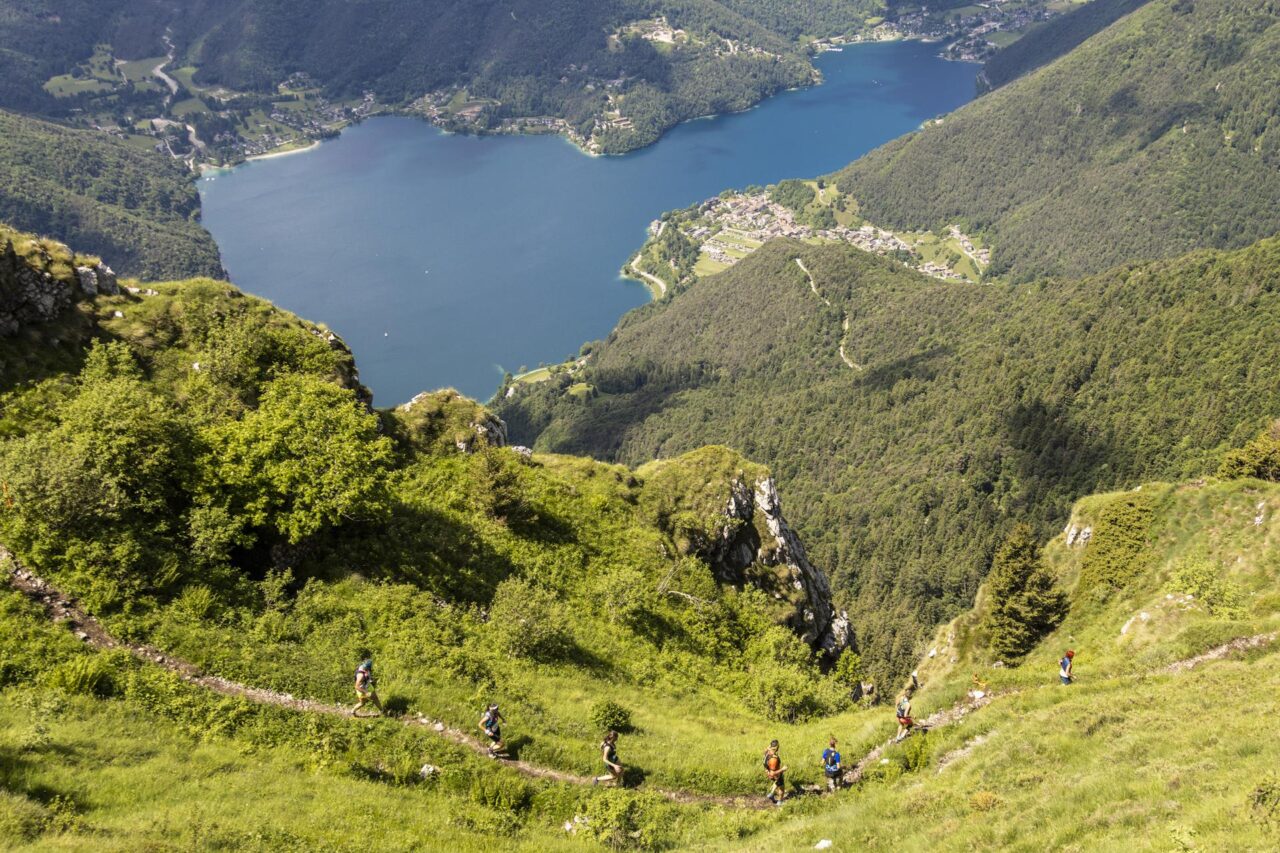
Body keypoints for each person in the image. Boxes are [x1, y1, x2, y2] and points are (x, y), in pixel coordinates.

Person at [764, 739, 787, 805]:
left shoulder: (767, 752)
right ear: (777, 747)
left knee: (776, 782)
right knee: (782, 788)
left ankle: (771, 794)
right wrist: (783, 769)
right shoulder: (773, 759)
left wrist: (768, 747)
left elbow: (765, 751)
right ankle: (780, 802)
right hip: (774, 775)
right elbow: (772, 773)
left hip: (768, 772)